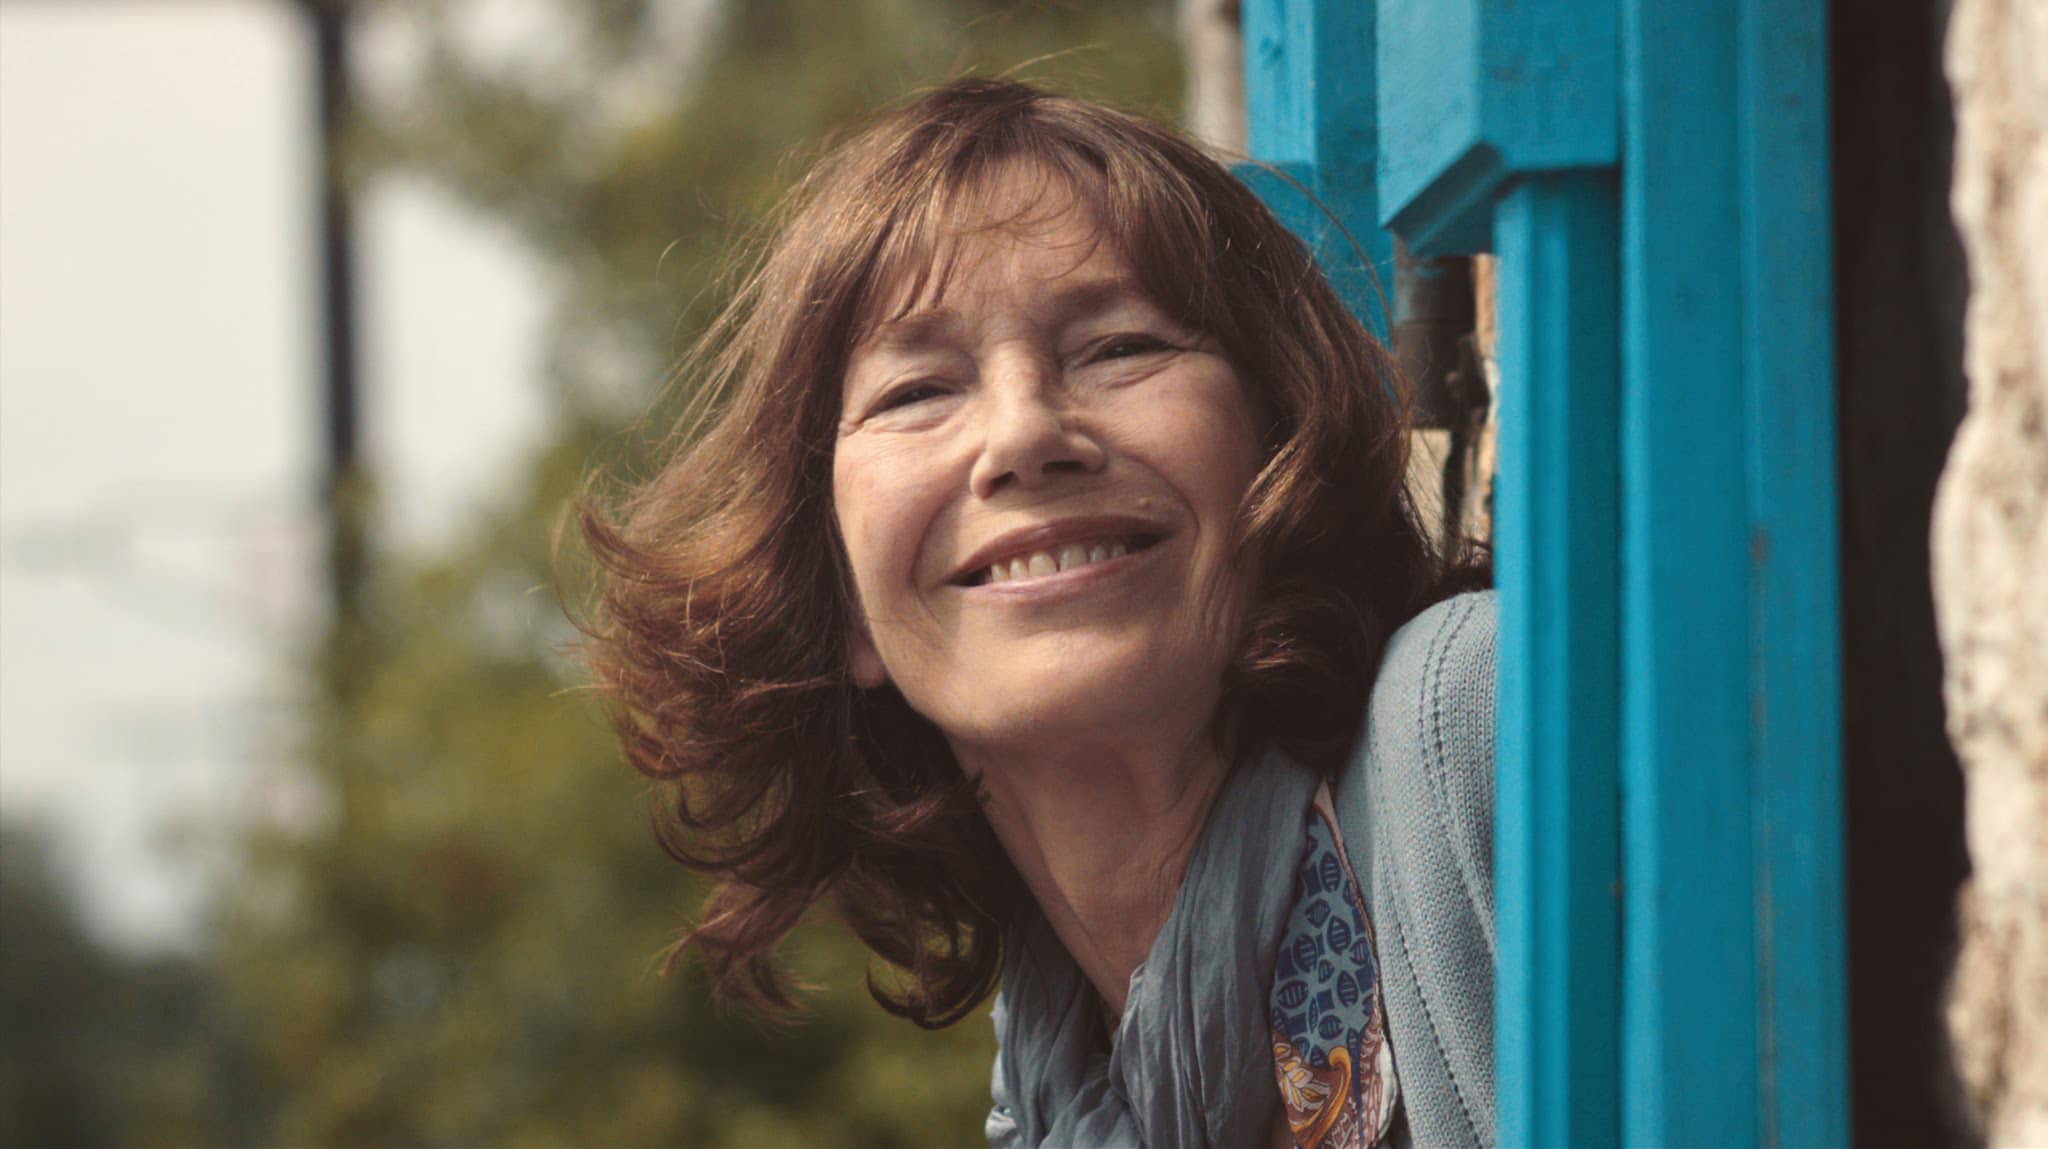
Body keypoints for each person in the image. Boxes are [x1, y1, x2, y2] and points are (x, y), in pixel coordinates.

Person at [579, 77, 1496, 1149]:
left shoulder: (1466, 729)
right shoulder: (1056, 1090)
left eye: (1120, 348)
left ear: (1281, 449)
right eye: (916, 391)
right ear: (839, 607)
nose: (1021, 435)